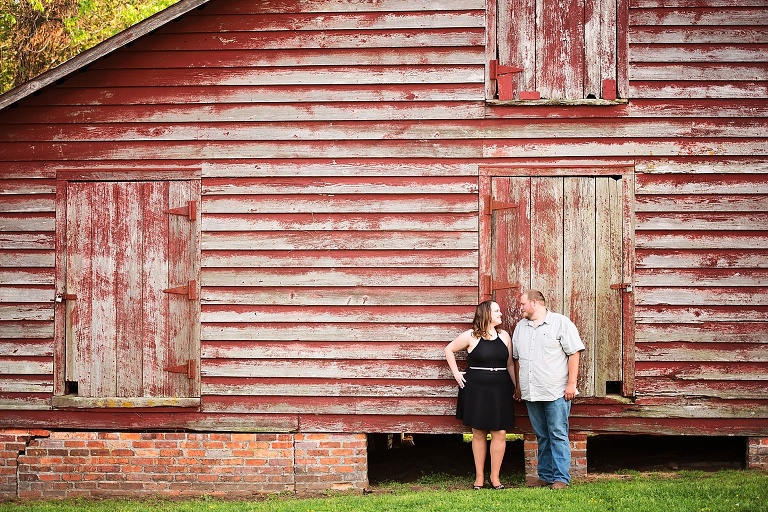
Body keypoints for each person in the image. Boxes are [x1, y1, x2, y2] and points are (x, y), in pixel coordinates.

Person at [512, 290, 585, 490]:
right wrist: (519, 387)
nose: (521, 308)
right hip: (531, 392)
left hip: (555, 391)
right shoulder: (521, 327)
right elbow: (517, 358)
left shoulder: (561, 323)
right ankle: (544, 476)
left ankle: (561, 478)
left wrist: (571, 384)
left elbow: (574, 353)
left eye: (523, 304)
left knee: (558, 433)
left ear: (534, 303)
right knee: (542, 435)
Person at [445, 300, 516, 490]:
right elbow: (449, 350)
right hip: (476, 388)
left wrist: (516, 386)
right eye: (496, 311)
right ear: (486, 314)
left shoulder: (505, 336)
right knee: (478, 432)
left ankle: (495, 477)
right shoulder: (471, 336)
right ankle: (479, 477)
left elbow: (509, 364)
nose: (501, 313)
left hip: (500, 388)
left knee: (500, 432)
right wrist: (457, 374)